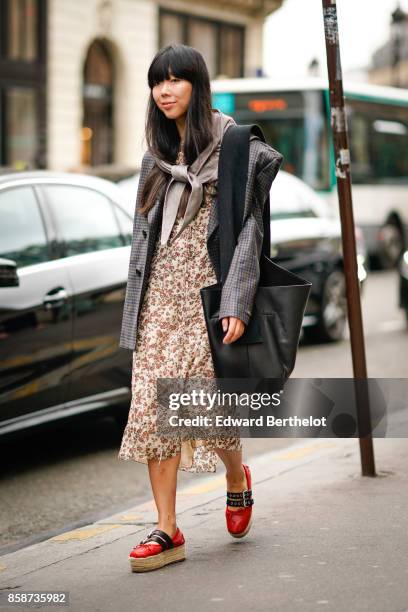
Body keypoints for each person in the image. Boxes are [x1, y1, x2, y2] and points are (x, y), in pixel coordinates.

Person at [117, 44, 283, 572]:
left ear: (197, 84)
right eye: (156, 82)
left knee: (202, 409)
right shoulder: (154, 157)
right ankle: (168, 529)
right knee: (151, 407)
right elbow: (144, 239)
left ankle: (237, 476)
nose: (164, 91)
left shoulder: (235, 148)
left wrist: (236, 302)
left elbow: (250, 234)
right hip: (157, 299)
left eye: (175, 80)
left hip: (207, 296)